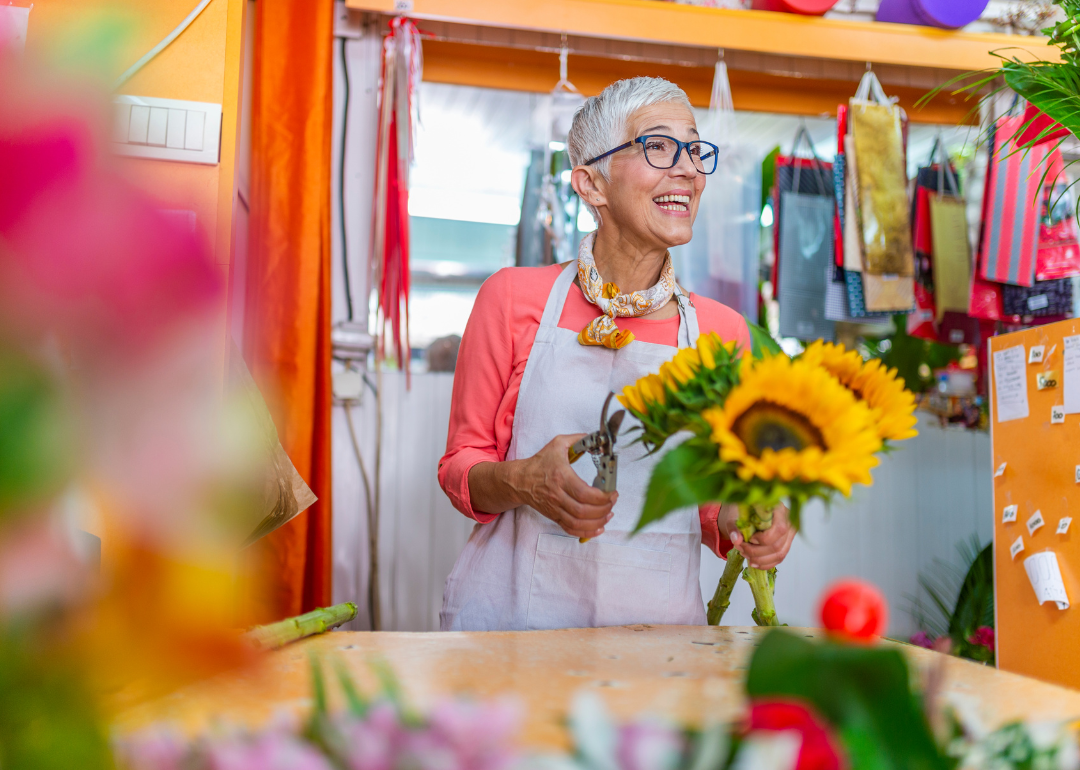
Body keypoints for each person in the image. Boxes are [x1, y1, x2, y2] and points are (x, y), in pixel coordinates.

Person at [437, 77, 794, 632]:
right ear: (591, 184)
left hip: (660, 640)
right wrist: (523, 480)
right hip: (512, 627)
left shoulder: (722, 333)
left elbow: (709, 506)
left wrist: (746, 519)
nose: (687, 170)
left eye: (694, 149)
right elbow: (461, 465)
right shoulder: (510, 298)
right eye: (657, 147)